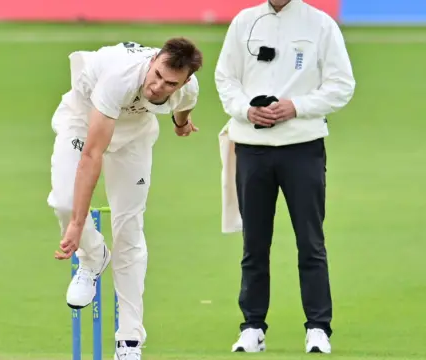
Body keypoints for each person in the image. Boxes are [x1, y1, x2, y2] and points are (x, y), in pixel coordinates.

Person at [46, 38, 203, 359]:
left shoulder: (188, 88)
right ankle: (92, 259)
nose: (158, 86)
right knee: (64, 203)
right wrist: (77, 224)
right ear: (154, 59)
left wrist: (181, 125)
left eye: (170, 83)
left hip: (135, 134)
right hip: (83, 120)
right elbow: (92, 155)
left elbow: (185, 106)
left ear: (184, 81)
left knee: (129, 229)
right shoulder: (120, 77)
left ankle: (130, 339)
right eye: (157, 74)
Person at [214, 0, 356, 354]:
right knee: (254, 244)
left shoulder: (320, 24)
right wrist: (246, 110)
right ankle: (252, 326)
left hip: (302, 146)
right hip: (251, 146)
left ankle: (318, 327)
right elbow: (225, 79)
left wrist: (297, 106)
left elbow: (342, 85)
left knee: (311, 241)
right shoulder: (244, 21)